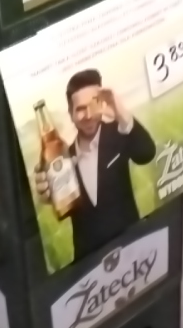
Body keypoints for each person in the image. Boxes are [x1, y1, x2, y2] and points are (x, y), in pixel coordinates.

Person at [34, 69, 156, 261]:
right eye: (80, 109)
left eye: (93, 104)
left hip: (130, 246)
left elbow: (146, 154)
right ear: (71, 114)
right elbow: (63, 206)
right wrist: (48, 194)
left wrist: (121, 113)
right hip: (88, 259)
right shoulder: (63, 158)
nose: (89, 115)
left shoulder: (118, 132)